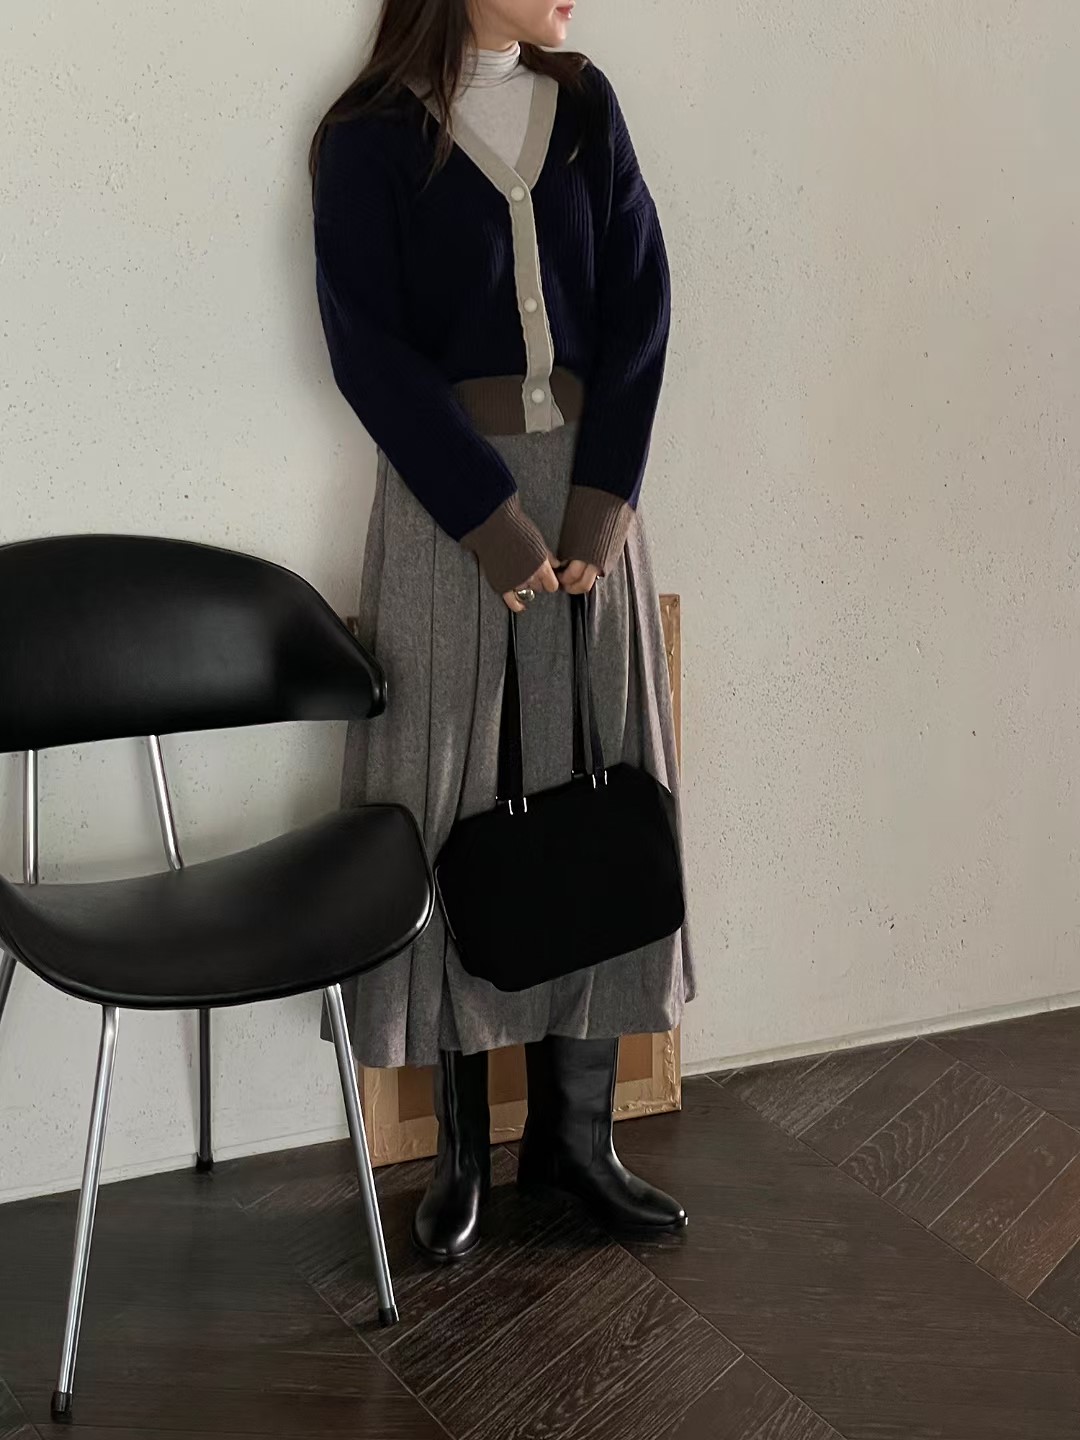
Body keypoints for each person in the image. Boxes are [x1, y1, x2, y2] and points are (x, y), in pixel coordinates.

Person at [310, 0, 695, 1262]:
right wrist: (493, 524)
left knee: (605, 782)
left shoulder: (586, 106)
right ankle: (464, 1152)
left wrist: (601, 505)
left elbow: (641, 306)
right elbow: (369, 352)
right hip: (448, 508)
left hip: (592, 494)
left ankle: (579, 1140)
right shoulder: (367, 137)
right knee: (457, 796)